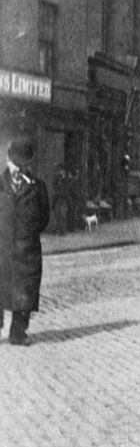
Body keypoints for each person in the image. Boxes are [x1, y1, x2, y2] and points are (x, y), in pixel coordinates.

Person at [0, 137, 51, 346]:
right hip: (1, 248)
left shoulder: (38, 188)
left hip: (26, 249)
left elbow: (44, 219)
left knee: (25, 292)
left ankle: (18, 333)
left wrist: (27, 235)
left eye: (23, 164)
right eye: (14, 163)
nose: (18, 169)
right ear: (7, 160)